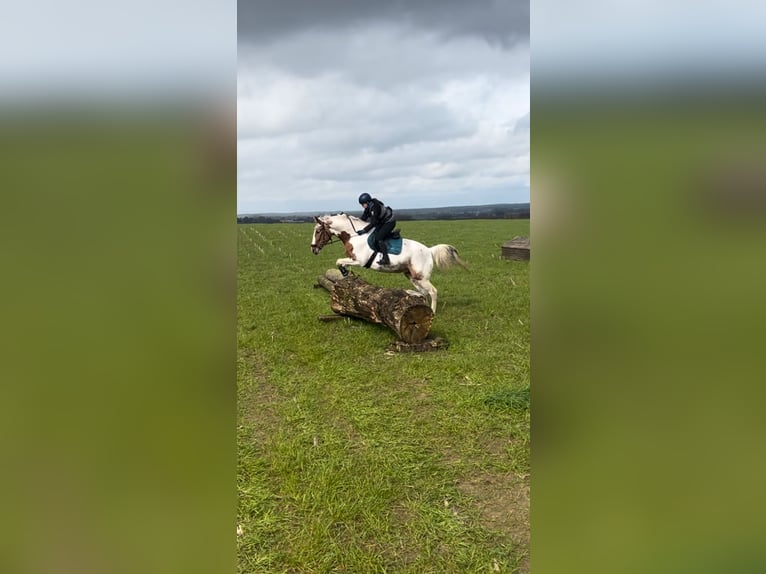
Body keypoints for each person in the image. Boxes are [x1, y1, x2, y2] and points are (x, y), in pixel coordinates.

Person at [357, 192, 396, 265]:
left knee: (379, 238)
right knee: (373, 235)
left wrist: (365, 230)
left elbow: (373, 222)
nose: (362, 206)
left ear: (368, 202)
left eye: (363, 204)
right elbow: (363, 218)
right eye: (361, 204)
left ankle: (386, 259)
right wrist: (354, 220)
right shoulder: (368, 208)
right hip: (382, 222)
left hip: (389, 222)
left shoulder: (375, 207)